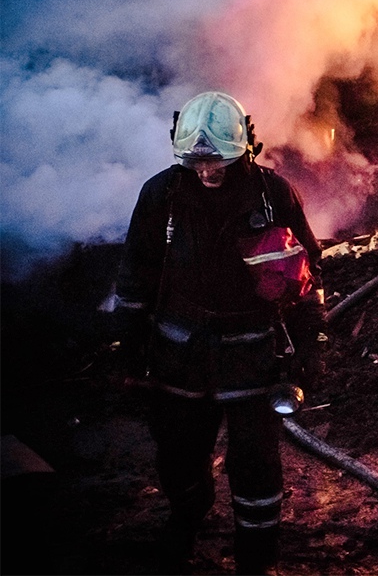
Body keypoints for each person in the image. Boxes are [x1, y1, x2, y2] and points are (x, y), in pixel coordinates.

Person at [113, 91, 326, 574]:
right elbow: (136, 275)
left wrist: (313, 344)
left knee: (255, 465)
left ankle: (257, 558)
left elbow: (305, 275)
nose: (207, 171)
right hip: (178, 358)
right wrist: (127, 347)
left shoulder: (273, 196)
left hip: (252, 356)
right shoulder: (160, 196)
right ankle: (187, 517)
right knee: (179, 459)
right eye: (196, 161)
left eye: (219, 161)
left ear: (246, 148)